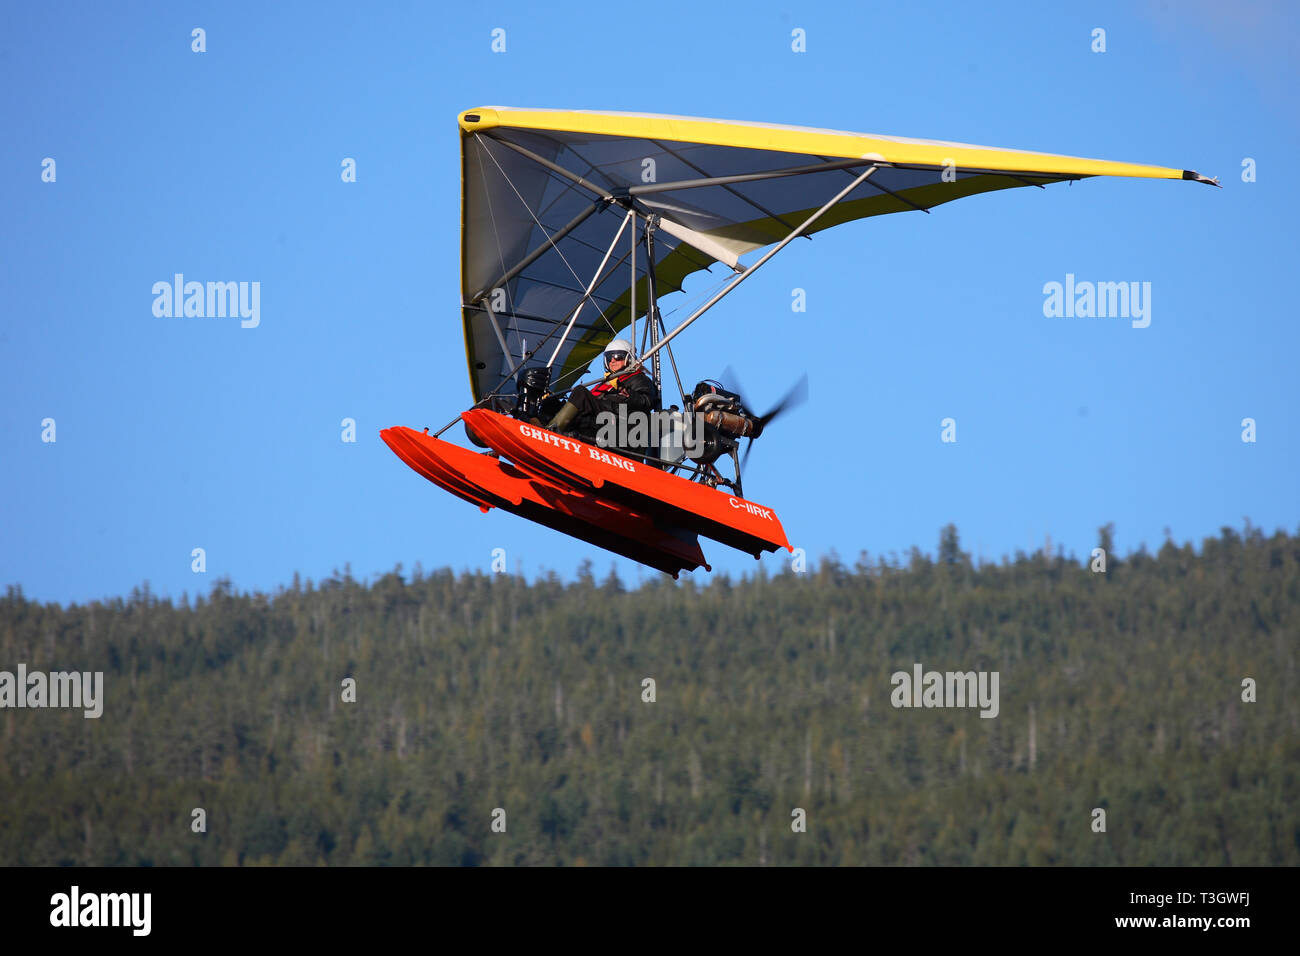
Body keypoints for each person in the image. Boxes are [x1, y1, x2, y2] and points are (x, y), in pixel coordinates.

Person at [546, 339, 658, 441]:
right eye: (610, 358)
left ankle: (550, 431)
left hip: (616, 421)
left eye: (618, 357)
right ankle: (540, 424)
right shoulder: (608, 382)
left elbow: (647, 402)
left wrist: (627, 393)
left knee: (580, 392)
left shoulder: (639, 378)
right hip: (597, 416)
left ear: (629, 358)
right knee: (551, 400)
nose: (613, 361)